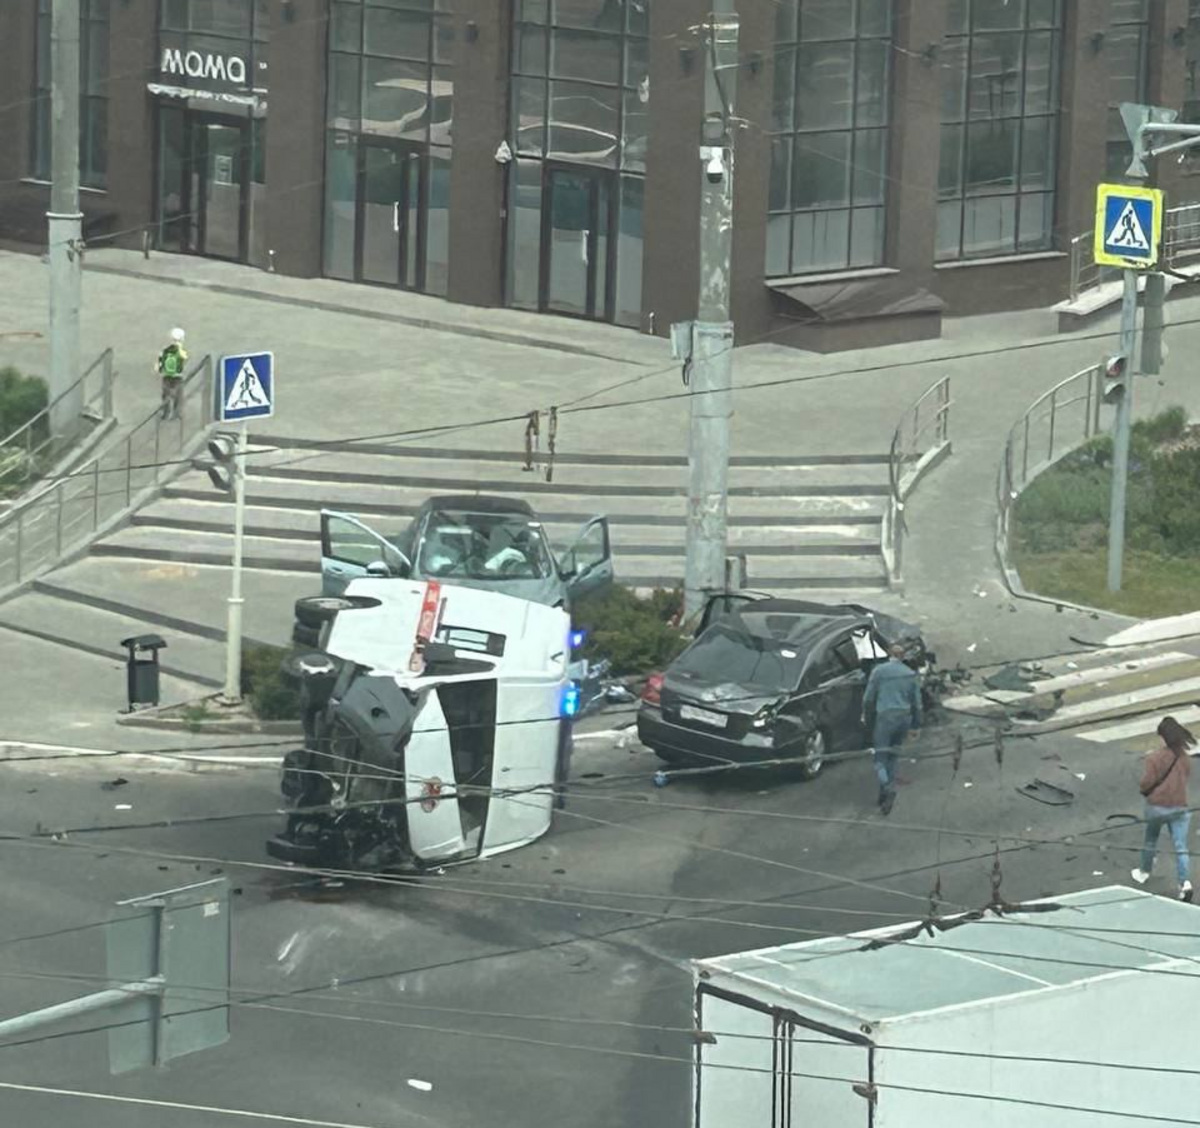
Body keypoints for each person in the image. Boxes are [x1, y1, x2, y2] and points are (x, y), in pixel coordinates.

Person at [1131, 715, 1196, 901]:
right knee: (1181, 846)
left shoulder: (1154, 758)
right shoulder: (1184, 758)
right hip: (1179, 806)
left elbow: (1147, 782)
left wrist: (1144, 789)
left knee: (1150, 840)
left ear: (1163, 737)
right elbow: (1185, 777)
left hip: (1157, 806)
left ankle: (1144, 872)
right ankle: (1184, 883)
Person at [862, 643, 922, 816]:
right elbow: (917, 704)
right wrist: (916, 725)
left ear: (889, 655)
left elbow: (868, 699)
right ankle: (885, 792)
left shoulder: (879, 672)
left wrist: (867, 717)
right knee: (894, 756)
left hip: (885, 718)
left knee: (879, 758)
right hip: (903, 718)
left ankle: (887, 789)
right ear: (903, 656)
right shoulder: (910, 674)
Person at [157, 327, 188, 421]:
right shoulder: (181, 351)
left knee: (166, 394)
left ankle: (165, 412)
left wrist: (160, 369)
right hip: (177, 376)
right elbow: (184, 358)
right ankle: (176, 413)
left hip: (166, 375)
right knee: (178, 394)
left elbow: (160, 360)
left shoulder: (165, 351)